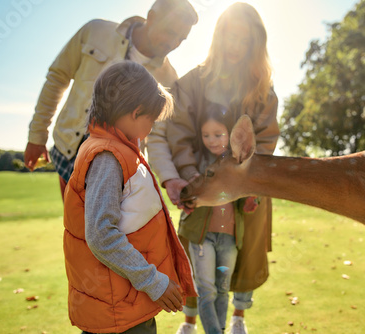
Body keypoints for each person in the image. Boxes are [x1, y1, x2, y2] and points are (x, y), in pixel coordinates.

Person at [165, 3, 280, 333]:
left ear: (255, 45)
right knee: (196, 256)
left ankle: (239, 319)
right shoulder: (192, 82)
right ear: (218, 37)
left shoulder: (263, 90)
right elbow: (179, 133)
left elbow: (267, 139)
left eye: (244, 40)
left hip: (249, 189)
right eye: (230, 37)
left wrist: (248, 183)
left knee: (246, 255)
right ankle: (189, 323)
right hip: (204, 185)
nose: (235, 46)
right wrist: (192, 178)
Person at [63, 61, 197, 334]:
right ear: (136, 113)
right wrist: (154, 282)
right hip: (118, 313)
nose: (151, 129)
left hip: (127, 303)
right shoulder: (107, 157)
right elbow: (101, 235)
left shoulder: (120, 150)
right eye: (152, 121)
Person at [24, 0, 198, 200]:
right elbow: (57, 78)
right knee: (76, 229)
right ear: (151, 18)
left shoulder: (168, 78)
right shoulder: (95, 31)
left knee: (103, 229)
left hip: (118, 169)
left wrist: (169, 179)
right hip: (70, 152)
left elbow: (156, 136)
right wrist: (37, 136)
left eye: (181, 39)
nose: (173, 43)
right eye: (170, 32)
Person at [176, 104, 259, 334]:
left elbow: (243, 200)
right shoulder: (195, 163)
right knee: (207, 290)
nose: (212, 140)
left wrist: (251, 201)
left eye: (218, 134)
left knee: (222, 290)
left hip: (229, 238)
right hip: (202, 238)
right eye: (206, 135)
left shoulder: (238, 162)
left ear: (231, 134)